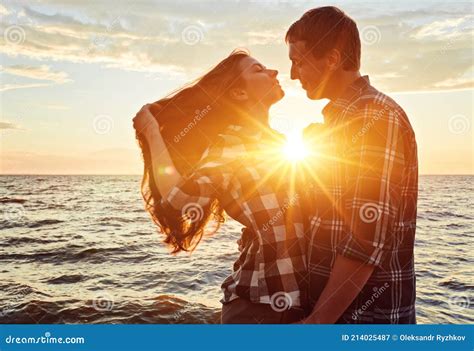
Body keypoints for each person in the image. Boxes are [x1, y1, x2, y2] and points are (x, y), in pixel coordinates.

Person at [133, 49, 308, 324]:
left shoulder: (280, 143)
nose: (274, 72)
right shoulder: (232, 142)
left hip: (293, 304)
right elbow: (179, 199)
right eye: (259, 70)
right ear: (238, 93)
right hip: (260, 308)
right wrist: (152, 132)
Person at [286, 6, 418, 323]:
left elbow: (365, 239)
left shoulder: (373, 115)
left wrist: (316, 325)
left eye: (298, 61)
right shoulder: (340, 120)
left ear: (331, 59)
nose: (293, 74)